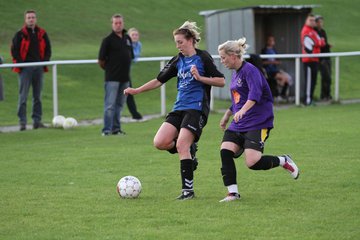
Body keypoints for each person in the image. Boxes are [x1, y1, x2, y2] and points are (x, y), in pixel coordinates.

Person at [124, 21, 225, 200]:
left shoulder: (203, 58)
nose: (178, 46)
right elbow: (158, 80)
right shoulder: (178, 60)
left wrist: (200, 78)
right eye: (176, 42)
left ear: (191, 40)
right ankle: (190, 150)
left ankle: (188, 191)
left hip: (196, 109)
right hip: (179, 108)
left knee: (181, 145)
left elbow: (221, 81)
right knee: (160, 142)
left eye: (180, 42)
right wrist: (137, 90)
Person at [217, 38, 299, 203]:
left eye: (223, 57)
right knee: (225, 151)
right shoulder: (236, 73)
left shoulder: (251, 71)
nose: (222, 61)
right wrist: (227, 114)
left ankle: (283, 160)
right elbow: (238, 99)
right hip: (239, 123)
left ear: (233, 56)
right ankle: (232, 193)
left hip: (258, 122)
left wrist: (243, 111)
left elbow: (255, 95)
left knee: (252, 162)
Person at [11, 9, 51, 131]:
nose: (31, 19)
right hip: (25, 69)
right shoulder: (20, 34)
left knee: (37, 96)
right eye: (29, 17)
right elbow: (14, 50)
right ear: (25, 19)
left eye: (33, 17)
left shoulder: (42, 33)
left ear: (36, 19)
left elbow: (48, 49)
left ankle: (37, 121)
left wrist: (44, 61)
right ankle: (22, 122)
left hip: (38, 68)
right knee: (23, 96)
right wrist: (21, 64)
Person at [98, 14, 134, 136]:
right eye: (115, 23)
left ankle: (116, 129)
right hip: (112, 78)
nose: (118, 25)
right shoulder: (107, 40)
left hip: (125, 78)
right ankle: (106, 130)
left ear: (123, 23)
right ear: (112, 24)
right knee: (110, 105)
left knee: (119, 105)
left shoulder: (127, 38)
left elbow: (131, 56)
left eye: (120, 23)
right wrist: (111, 70)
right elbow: (101, 60)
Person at [301, 13, 325, 106]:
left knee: (313, 81)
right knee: (309, 81)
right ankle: (307, 101)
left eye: (313, 20)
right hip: (308, 60)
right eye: (310, 20)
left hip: (315, 59)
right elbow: (317, 42)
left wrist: (319, 42)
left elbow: (322, 43)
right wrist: (319, 42)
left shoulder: (313, 31)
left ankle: (310, 99)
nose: (312, 22)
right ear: (306, 21)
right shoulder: (306, 30)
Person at [126, 27, 143, 120]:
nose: (135, 37)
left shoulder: (139, 44)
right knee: (127, 92)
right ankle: (135, 114)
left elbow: (135, 57)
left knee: (128, 92)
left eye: (136, 35)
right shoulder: (126, 44)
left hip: (127, 71)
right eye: (133, 35)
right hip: (121, 71)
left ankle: (135, 114)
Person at [315, 15, 332, 101]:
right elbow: (319, 45)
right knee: (325, 76)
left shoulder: (323, 32)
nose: (321, 23)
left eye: (322, 22)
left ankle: (327, 94)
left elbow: (324, 43)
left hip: (327, 56)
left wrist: (328, 45)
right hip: (321, 58)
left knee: (328, 77)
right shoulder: (315, 32)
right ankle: (324, 95)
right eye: (319, 22)